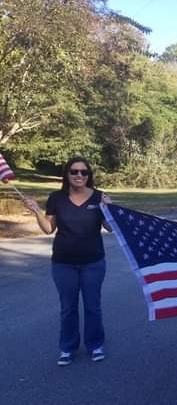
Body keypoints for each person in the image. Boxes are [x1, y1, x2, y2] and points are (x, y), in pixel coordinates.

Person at [23, 156, 112, 366]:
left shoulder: (100, 197)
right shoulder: (56, 198)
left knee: (93, 306)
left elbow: (111, 228)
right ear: (67, 174)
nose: (79, 175)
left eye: (84, 172)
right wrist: (36, 210)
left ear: (89, 175)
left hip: (93, 262)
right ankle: (67, 348)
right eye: (74, 171)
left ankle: (95, 344)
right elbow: (48, 228)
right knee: (68, 307)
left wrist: (109, 209)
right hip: (63, 263)